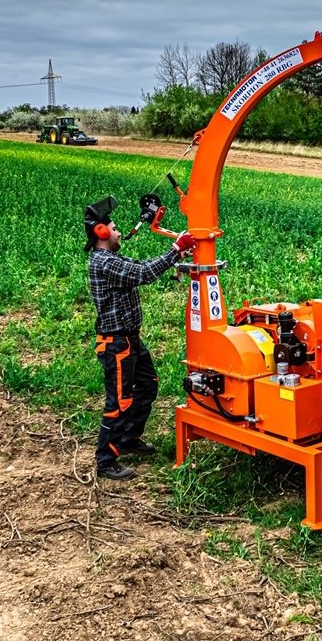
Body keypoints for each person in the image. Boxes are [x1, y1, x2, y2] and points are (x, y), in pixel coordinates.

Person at [84, 196, 194, 480]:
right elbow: (144, 273)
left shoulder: (113, 258)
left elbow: (142, 267)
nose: (119, 232)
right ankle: (106, 461)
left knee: (147, 385)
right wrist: (175, 249)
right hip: (116, 343)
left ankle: (128, 439)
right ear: (102, 233)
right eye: (115, 228)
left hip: (130, 339)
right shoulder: (103, 262)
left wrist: (175, 255)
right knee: (118, 402)